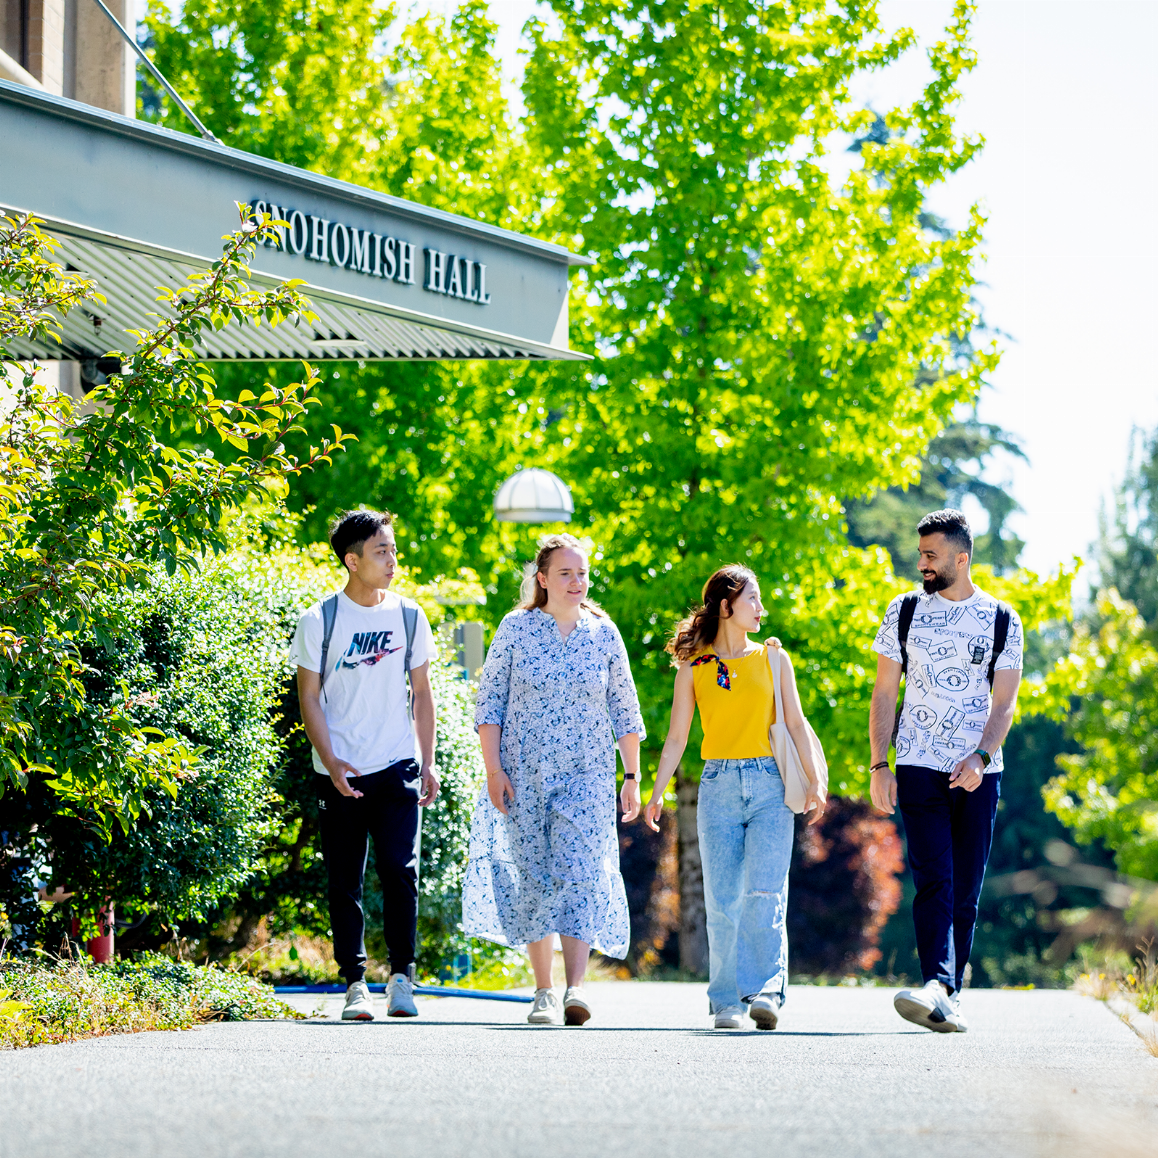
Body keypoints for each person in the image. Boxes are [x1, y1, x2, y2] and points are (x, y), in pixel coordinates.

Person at [462, 533, 645, 1027]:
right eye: (565, 573)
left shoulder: (603, 633)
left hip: (588, 775)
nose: (577, 582)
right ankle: (543, 991)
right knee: (536, 875)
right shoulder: (516, 629)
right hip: (524, 773)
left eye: (582, 573)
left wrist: (632, 776)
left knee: (583, 872)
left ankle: (576, 989)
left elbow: (625, 709)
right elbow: (490, 704)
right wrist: (494, 770)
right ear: (542, 579)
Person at [643, 565, 825, 1031]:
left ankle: (765, 991)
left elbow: (799, 724)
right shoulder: (695, 666)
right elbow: (677, 736)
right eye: (753, 600)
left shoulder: (774, 659)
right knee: (723, 899)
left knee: (765, 891)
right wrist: (657, 791)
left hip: (769, 786)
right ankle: (727, 1002)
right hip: (718, 786)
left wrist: (815, 780)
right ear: (726, 606)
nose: (761, 608)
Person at [869, 509, 1023, 1033]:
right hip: (917, 761)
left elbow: (1004, 703)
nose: (922, 564)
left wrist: (980, 756)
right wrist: (878, 763)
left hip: (980, 769)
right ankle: (938, 983)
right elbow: (885, 691)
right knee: (933, 876)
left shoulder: (1003, 619)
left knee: (966, 885)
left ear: (962, 557)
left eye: (931, 555)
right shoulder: (905, 610)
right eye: (921, 555)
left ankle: (949, 991)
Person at [290, 508, 440, 1022]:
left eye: (393, 549)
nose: (393, 560)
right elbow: (308, 698)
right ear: (352, 561)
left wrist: (429, 761)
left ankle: (402, 978)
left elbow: (422, 692)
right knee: (344, 879)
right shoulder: (320, 620)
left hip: (397, 762)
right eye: (381, 551)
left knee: (401, 873)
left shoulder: (409, 616)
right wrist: (331, 762)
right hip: (341, 771)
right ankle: (355, 982)